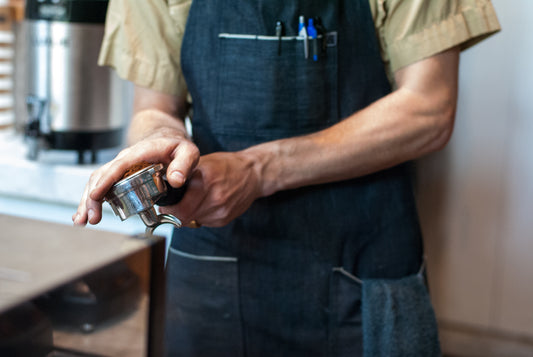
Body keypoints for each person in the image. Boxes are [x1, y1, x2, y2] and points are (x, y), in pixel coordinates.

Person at [74, 0, 500, 355]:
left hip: (363, 271)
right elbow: (154, 109)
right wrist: (161, 141)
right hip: (209, 275)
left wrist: (259, 170)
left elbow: (430, 109)